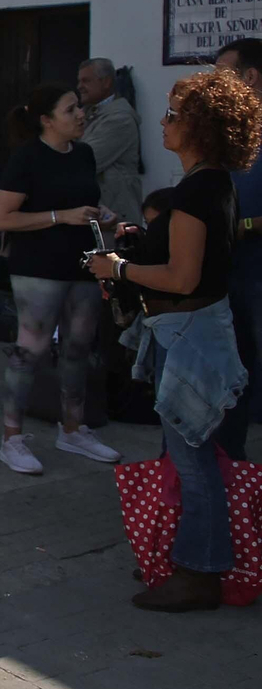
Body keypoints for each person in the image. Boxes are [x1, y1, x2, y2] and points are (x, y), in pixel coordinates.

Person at [89, 69, 261, 611]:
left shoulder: (196, 191)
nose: (163, 122)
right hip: (194, 330)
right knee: (196, 455)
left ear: (201, 128)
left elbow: (184, 279)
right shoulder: (211, 185)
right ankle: (194, 565)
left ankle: (199, 573)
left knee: (194, 460)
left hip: (189, 333)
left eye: (173, 115)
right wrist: (144, 242)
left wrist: (116, 268)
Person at [0, 85, 121, 474]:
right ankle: (11, 438)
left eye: (79, 107)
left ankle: (73, 427)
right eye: (71, 109)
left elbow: (84, 199)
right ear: (47, 120)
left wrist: (102, 214)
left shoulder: (84, 154)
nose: (81, 114)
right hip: (37, 267)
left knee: (79, 346)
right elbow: (3, 219)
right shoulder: (26, 158)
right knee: (29, 349)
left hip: (81, 264)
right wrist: (60, 216)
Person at [216, 37, 262, 440]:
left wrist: (244, 226)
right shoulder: (233, 132)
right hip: (229, 272)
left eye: (222, 77)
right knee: (235, 372)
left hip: (257, 274)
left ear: (250, 76)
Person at [77, 57, 144, 225]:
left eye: (86, 81)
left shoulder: (120, 119)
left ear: (106, 82)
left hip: (115, 219)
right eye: (79, 81)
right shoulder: (88, 113)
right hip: (98, 217)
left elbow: (85, 160)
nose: (79, 87)